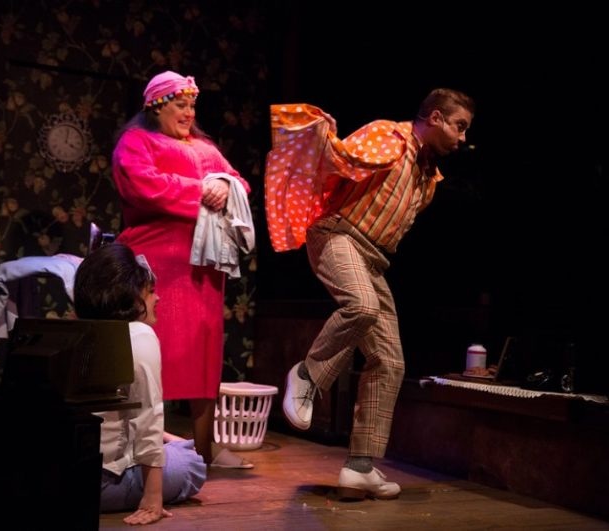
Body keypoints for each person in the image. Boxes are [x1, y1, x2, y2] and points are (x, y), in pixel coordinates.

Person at [265, 88, 475, 500]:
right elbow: (340, 158)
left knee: (390, 361)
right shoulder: (391, 137)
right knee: (360, 305)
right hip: (337, 235)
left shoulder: (427, 174)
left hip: (373, 258)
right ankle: (307, 376)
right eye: (459, 126)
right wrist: (321, 135)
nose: (463, 137)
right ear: (434, 117)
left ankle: (360, 466)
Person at [111, 71, 252, 468]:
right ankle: (144, 446)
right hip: (155, 263)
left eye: (192, 105)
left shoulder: (205, 147)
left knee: (201, 353)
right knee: (152, 352)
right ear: (156, 106)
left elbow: (239, 182)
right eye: (180, 105)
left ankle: (204, 447)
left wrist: (226, 185)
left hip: (202, 265)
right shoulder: (136, 142)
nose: (189, 113)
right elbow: (143, 184)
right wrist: (201, 192)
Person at [73, 242, 207, 525]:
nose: (157, 299)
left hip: (64, 474)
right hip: (102, 483)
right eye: (150, 292)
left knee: (176, 446)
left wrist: (165, 437)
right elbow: (148, 417)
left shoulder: (80, 332)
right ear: (131, 298)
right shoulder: (139, 334)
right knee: (191, 464)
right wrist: (153, 496)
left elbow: (119, 411)